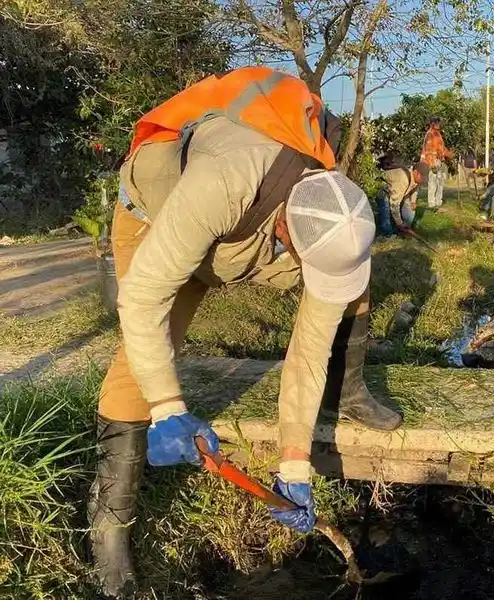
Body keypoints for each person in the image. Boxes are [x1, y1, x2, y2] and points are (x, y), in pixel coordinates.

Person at [88, 66, 403, 598]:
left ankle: (348, 393)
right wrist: (168, 407)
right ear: (286, 232)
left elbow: (306, 355)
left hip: (247, 231)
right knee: (140, 361)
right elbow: (141, 296)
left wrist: (295, 465)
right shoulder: (225, 181)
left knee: (352, 290)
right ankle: (109, 527)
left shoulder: (333, 203)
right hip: (158, 212)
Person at [376, 152, 420, 236]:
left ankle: (401, 229)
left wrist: (413, 201)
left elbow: (415, 188)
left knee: (408, 211)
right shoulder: (403, 179)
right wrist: (399, 222)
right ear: (416, 172)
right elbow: (394, 204)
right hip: (383, 189)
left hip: (397, 190)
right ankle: (387, 234)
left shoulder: (417, 178)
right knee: (386, 210)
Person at [420, 116, 452, 212]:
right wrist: (431, 163)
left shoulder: (438, 135)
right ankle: (431, 204)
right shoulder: (430, 134)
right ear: (432, 124)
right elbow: (428, 150)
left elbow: (441, 148)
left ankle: (438, 202)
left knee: (440, 182)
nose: (439, 125)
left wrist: (449, 154)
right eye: (437, 123)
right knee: (433, 182)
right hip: (432, 161)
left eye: (439, 123)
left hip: (439, 161)